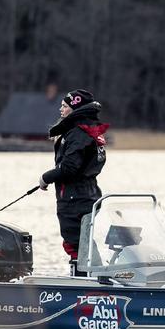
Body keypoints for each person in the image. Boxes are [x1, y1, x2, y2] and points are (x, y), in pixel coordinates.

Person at [39, 89, 108, 273]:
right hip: (88, 195)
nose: (61, 109)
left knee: (77, 243)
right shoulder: (90, 130)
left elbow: (69, 168)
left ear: (75, 109)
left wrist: (45, 178)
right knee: (83, 243)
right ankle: (91, 276)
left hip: (75, 199)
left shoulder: (79, 133)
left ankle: (87, 280)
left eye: (65, 106)